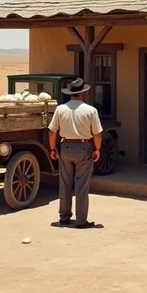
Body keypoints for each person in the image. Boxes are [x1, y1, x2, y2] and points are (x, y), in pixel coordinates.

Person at [48, 77, 103, 228]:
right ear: (82, 93)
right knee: (81, 185)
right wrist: (97, 149)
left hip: (65, 146)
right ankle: (81, 220)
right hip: (83, 147)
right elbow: (97, 134)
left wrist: (52, 148)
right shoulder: (91, 111)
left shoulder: (60, 109)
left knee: (65, 183)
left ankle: (64, 217)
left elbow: (52, 131)